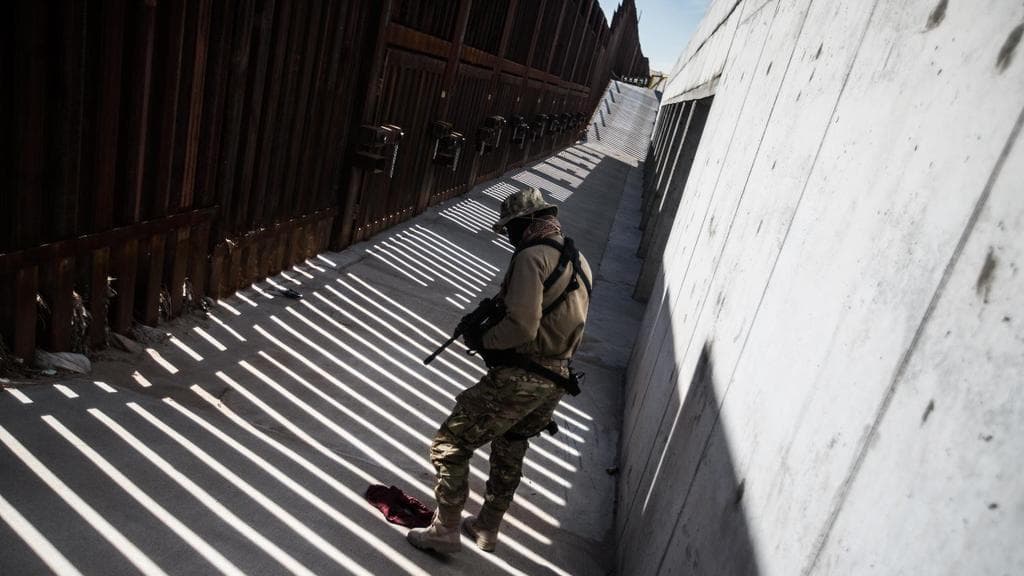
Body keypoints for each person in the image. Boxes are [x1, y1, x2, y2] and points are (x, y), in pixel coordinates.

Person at [407, 186, 592, 554]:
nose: (508, 236)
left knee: (451, 443)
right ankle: (487, 527)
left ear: (525, 223)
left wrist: (484, 340)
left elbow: (522, 326)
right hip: (555, 378)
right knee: (511, 445)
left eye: (509, 228)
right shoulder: (578, 259)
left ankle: (444, 531)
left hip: (521, 377)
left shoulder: (531, 256)